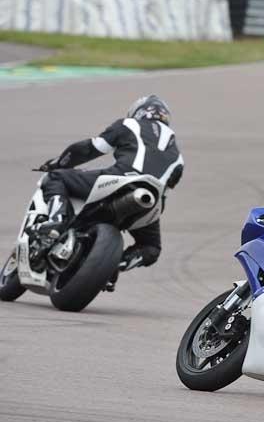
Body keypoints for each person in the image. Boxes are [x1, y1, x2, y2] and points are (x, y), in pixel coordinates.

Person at [31, 95, 184, 287]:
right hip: (150, 198)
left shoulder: (129, 124)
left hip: (120, 180)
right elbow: (164, 197)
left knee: (56, 177)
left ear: (138, 112)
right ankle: (115, 264)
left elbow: (89, 149)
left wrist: (57, 164)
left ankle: (55, 223)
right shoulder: (177, 154)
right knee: (151, 247)